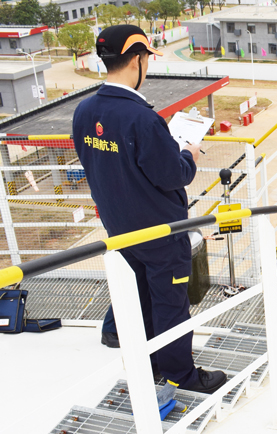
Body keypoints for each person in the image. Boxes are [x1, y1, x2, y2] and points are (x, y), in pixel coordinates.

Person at [73, 25, 226, 395]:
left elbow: (95, 163)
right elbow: (173, 175)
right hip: (160, 232)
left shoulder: (85, 110)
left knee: (140, 302)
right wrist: (187, 153)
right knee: (170, 305)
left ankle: (150, 367)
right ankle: (180, 375)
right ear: (138, 60)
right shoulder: (142, 119)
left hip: (120, 230)